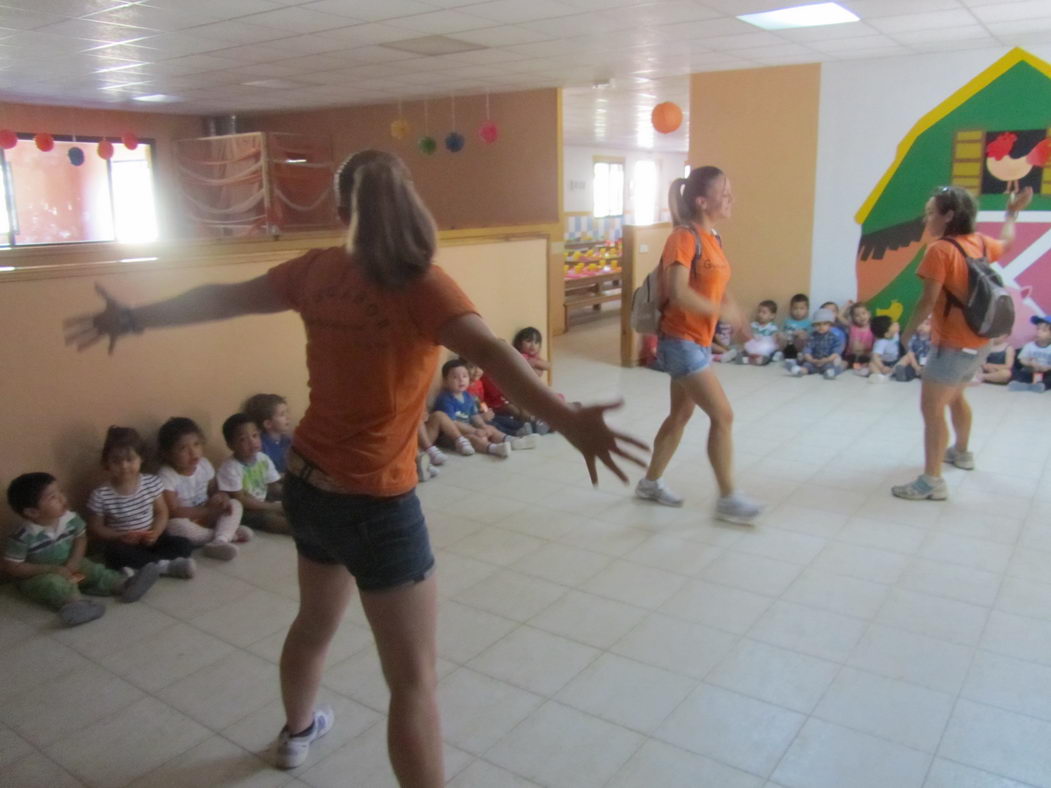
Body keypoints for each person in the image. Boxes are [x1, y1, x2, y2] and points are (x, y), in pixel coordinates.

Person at [65, 149, 644, 785]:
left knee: (315, 623)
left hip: (309, 486)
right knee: (413, 681)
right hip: (378, 504)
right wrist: (566, 419)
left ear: (342, 211)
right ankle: (303, 732)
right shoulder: (421, 282)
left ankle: (296, 732)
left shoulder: (317, 271)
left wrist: (134, 316)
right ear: (409, 200)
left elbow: (222, 299)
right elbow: (492, 350)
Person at [635, 166, 762, 524]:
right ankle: (728, 498)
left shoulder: (714, 238)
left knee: (680, 415)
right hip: (680, 342)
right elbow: (677, 291)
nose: (731, 198)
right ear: (702, 201)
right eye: (725, 192)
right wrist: (722, 311)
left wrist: (734, 318)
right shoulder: (683, 237)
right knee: (723, 416)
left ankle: (650, 483)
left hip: (699, 342)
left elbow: (717, 284)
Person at [892, 184, 1032, 498]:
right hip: (979, 342)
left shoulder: (940, 251)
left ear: (949, 215)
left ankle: (932, 481)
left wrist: (908, 331)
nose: (926, 218)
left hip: (952, 344)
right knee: (955, 398)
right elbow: (1008, 241)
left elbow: (928, 301)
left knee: (932, 409)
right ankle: (962, 452)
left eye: (931, 212)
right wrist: (1012, 213)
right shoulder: (980, 241)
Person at [4, 473, 159, 627]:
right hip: (39, 574)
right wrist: (51, 569)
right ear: (32, 512)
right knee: (54, 584)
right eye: (53, 498)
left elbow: (81, 538)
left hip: (69, 564)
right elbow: (13, 567)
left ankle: (125, 585)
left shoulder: (70, 519)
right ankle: (76, 604)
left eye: (61, 492)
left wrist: (75, 560)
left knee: (92, 569)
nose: (62, 499)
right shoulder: (23, 537)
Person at [86, 426, 195, 578]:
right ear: (106, 463)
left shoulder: (151, 483)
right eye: (116, 461)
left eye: (130, 460)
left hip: (151, 538)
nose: (124, 466)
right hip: (125, 543)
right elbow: (96, 527)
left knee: (183, 544)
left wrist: (155, 532)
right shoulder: (101, 495)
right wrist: (119, 536)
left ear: (141, 459)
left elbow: (162, 512)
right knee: (115, 554)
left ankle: (140, 568)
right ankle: (165, 567)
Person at [157, 416, 249, 560]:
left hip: (209, 515)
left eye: (196, 444)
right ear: (167, 454)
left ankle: (220, 540)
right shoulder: (167, 475)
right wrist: (207, 511)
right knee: (174, 526)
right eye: (183, 449)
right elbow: (173, 511)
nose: (193, 453)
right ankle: (226, 535)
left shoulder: (204, 464)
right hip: (189, 520)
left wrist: (221, 498)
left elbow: (214, 490)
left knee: (235, 504)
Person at [432, 358, 536, 458]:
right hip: (452, 436)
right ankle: (493, 448)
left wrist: (482, 426)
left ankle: (513, 441)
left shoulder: (468, 396)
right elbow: (453, 423)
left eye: (464, 376)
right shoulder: (445, 399)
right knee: (472, 438)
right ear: (445, 381)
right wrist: (474, 431)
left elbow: (474, 416)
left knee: (490, 428)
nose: (461, 380)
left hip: (469, 428)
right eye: (455, 377)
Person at [217, 413, 290, 534]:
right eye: (243, 440)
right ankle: (302, 532)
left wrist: (290, 497)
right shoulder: (230, 467)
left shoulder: (263, 459)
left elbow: (273, 486)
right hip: (247, 510)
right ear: (231, 445)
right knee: (272, 519)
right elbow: (240, 499)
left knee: (295, 503)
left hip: (264, 499)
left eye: (255, 435)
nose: (252, 442)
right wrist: (272, 507)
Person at [244, 393, 293, 474]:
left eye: (287, 412)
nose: (288, 417)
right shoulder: (260, 447)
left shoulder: (288, 440)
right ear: (268, 424)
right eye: (282, 414)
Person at [788, 308, 844, 378]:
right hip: (814, 360)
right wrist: (811, 359)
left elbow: (836, 351)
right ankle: (799, 371)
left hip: (827, 361)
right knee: (807, 365)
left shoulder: (834, 338)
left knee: (830, 366)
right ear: (814, 325)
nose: (821, 327)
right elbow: (807, 349)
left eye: (825, 324)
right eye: (818, 324)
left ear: (830, 326)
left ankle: (831, 373)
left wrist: (828, 359)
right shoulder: (812, 336)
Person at [1008, 316, 1051, 392]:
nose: (1039, 332)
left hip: (1046, 373)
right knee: (1016, 371)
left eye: (1044, 330)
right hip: (1030, 372)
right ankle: (1024, 385)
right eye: (1038, 329)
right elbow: (1022, 360)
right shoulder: (1029, 346)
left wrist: (1047, 368)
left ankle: (1041, 386)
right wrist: (1030, 363)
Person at [894, 317, 932, 382]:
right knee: (907, 357)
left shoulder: (933, 340)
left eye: (926, 324)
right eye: (919, 324)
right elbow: (910, 352)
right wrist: (916, 367)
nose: (922, 326)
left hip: (927, 363)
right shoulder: (914, 337)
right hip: (914, 361)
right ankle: (898, 370)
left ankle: (923, 375)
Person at [742, 299, 779, 365]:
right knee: (747, 345)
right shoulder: (754, 325)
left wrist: (767, 340)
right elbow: (749, 334)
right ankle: (748, 359)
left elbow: (774, 339)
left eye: (764, 312)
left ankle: (757, 359)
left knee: (769, 347)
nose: (760, 314)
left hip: (764, 347)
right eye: (759, 312)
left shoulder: (772, 327)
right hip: (755, 346)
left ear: (772, 316)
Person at [843, 302, 875, 374]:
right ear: (853, 318)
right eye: (857, 315)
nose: (861, 317)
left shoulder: (873, 327)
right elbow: (839, 316)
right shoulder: (852, 326)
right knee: (845, 363)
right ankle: (837, 369)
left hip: (866, 354)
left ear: (869, 314)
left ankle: (862, 368)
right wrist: (847, 305)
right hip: (852, 355)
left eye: (864, 313)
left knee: (872, 362)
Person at [778, 293, 811, 361]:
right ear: (791, 309)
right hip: (788, 344)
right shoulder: (787, 320)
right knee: (780, 335)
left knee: (802, 337)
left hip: (799, 346)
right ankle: (780, 353)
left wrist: (802, 333)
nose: (798, 311)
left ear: (807, 310)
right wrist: (789, 334)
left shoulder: (809, 322)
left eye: (802, 308)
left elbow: (810, 336)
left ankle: (800, 354)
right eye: (795, 308)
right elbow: (782, 331)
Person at [868, 315, 901, 382]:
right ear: (887, 334)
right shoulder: (881, 342)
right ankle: (880, 376)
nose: (896, 323)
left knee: (906, 358)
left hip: (895, 362)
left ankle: (895, 372)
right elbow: (875, 356)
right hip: (884, 363)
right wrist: (882, 367)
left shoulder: (895, 334)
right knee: (871, 364)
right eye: (892, 324)